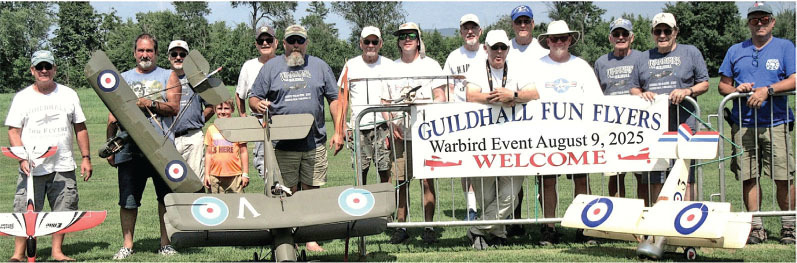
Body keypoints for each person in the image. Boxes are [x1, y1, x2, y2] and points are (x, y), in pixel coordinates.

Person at [248, 24, 342, 253]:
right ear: (284, 43)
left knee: (311, 191)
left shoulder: (319, 66)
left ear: (306, 43)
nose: (296, 45)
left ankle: (310, 238)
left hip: (314, 141)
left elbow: (335, 99)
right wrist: (258, 104)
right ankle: (290, 238)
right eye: (292, 41)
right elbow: (253, 97)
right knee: (286, 193)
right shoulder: (271, 67)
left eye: (300, 40)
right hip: (282, 144)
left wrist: (339, 130)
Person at [718, 1, 795, 245]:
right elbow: (722, 85)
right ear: (748, 23)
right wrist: (735, 88)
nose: (759, 23)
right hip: (743, 125)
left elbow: (794, 79)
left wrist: (768, 90)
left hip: (776, 122)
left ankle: (789, 227)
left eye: (764, 19)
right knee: (748, 176)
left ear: (772, 22)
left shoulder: (785, 47)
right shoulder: (735, 50)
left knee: (783, 176)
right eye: (754, 19)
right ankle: (756, 228)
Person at [5, 50, 92, 262]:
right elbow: (13, 131)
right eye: (39, 67)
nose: (44, 71)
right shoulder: (22, 97)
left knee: (63, 209)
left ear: (54, 69)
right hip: (32, 167)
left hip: (62, 164)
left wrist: (86, 157)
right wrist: (22, 158)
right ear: (32, 70)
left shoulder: (69, 94)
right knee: (24, 210)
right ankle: (18, 254)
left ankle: (57, 252)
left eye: (48, 66)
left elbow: (80, 128)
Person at [107, 33, 182, 260]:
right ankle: (127, 246)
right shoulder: (122, 78)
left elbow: (174, 107)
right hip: (130, 148)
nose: (145, 55)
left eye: (149, 51)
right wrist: (110, 144)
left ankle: (165, 243)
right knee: (128, 200)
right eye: (141, 50)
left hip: (160, 147)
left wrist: (151, 103)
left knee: (165, 199)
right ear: (134, 53)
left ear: (156, 54)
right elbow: (112, 115)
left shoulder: (169, 76)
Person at [529, 20, 604, 245]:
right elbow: (527, 97)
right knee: (547, 183)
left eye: (563, 38)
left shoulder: (581, 66)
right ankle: (549, 228)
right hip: (546, 134)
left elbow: (595, 100)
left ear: (570, 40)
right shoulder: (537, 66)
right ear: (547, 42)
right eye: (555, 38)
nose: (559, 42)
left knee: (582, 180)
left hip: (578, 135)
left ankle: (584, 226)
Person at [463, 30, 538, 250]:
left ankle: (477, 229)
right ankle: (496, 234)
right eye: (494, 47)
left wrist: (513, 96)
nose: (498, 52)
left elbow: (533, 92)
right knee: (486, 195)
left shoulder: (519, 67)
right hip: (482, 142)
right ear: (485, 48)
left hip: (514, 142)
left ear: (508, 49)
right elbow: (471, 95)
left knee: (510, 195)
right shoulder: (477, 67)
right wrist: (497, 98)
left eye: (502, 47)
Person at [631, 12, 709, 203]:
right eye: (658, 31)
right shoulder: (643, 58)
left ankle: (685, 221)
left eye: (667, 30)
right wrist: (642, 95)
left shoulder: (691, 52)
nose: (663, 35)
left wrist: (687, 91)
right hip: (654, 128)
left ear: (676, 32)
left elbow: (705, 83)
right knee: (655, 177)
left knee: (686, 175)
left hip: (685, 125)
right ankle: (659, 223)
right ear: (652, 33)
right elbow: (634, 87)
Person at [381, 22, 444, 244]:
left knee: (427, 182)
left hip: (426, 135)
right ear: (398, 41)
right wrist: (392, 124)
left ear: (418, 40)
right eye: (402, 36)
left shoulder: (432, 65)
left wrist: (430, 118)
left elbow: (441, 96)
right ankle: (402, 226)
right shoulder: (390, 68)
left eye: (411, 35)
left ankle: (429, 227)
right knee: (400, 182)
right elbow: (384, 102)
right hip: (400, 135)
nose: (407, 39)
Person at [505, 5, 547, 236]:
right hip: (512, 120)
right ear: (513, 24)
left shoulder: (542, 50)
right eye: (518, 21)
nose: (522, 25)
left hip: (539, 119)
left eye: (526, 21)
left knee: (545, 177)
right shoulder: (504, 49)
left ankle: (547, 224)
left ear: (532, 24)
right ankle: (515, 222)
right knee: (514, 175)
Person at [334, 26, 395, 186]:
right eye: (367, 41)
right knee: (360, 175)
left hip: (383, 127)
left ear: (380, 43)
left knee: (385, 172)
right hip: (358, 128)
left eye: (374, 41)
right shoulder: (351, 65)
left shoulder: (389, 65)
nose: (370, 45)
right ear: (361, 43)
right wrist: (340, 129)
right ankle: (363, 209)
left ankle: (388, 210)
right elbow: (342, 100)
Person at [442, 13, 486, 221]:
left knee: (490, 164)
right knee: (467, 166)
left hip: (489, 117)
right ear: (460, 32)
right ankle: (471, 208)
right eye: (465, 28)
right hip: (462, 120)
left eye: (473, 27)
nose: (470, 31)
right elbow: (449, 89)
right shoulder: (453, 57)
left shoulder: (489, 51)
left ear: (480, 31)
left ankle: (490, 207)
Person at [593, 18, 643, 198]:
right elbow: (596, 93)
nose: (620, 37)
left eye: (624, 34)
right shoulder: (601, 62)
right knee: (615, 175)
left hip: (639, 125)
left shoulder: (642, 57)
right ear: (610, 38)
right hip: (612, 127)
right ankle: (617, 215)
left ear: (632, 37)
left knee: (641, 173)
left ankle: (643, 213)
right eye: (616, 34)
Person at [167, 40, 214, 185]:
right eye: (174, 54)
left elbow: (211, 106)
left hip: (193, 137)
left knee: (195, 183)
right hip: (169, 139)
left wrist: (198, 121)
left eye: (183, 54)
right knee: (170, 183)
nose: (178, 57)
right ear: (169, 57)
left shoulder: (197, 78)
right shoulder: (164, 78)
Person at [237, 25, 278, 180]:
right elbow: (240, 94)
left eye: (269, 40)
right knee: (263, 165)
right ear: (256, 44)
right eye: (261, 40)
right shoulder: (248, 66)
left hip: (281, 122)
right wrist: (244, 118)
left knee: (285, 166)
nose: (265, 43)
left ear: (276, 43)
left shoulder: (284, 63)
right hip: (259, 122)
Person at [204, 99, 250, 193]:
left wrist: (245, 174)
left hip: (235, 175)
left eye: (226, 108)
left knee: (237, 203)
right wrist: (207, 174)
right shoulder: (211, 129)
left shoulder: (238, 129)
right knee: (217, 204)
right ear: (215, 110)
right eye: (220, 108)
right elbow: (208, 154)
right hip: (215, 175)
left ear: (232, 110)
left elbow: (243, 151)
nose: (223, 112)